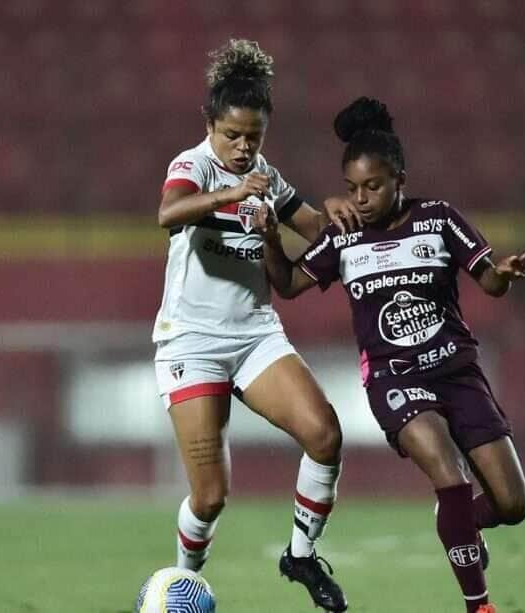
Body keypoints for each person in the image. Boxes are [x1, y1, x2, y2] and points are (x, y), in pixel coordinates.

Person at [251, 97, 525, 613]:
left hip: (457, 370)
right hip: (394, 377)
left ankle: (455, 523)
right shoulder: (345, 238)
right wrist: (272, 239)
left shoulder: (438, 219)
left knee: (512, 505)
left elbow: (489, 279)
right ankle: (481, 606)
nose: (361, 199)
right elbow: (289, 284)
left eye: (373, 186)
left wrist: (505, 273)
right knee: (450, 476)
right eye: (352, 188)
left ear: (399, 179)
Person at [153, 39, 360, 612]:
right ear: (209, 123)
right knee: (212, 497)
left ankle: (300, 555)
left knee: (325, 434)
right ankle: (181, 586)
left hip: (255, 336)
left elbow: (313, 226)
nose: (243, 148)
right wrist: (232, 191)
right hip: (191, 342)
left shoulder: (266, 173)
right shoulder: (192, 164)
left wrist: (340, 216)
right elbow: (168, 213)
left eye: (254, 137)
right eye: (233, 135)